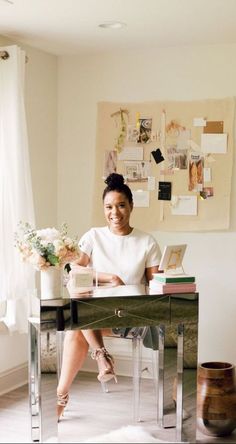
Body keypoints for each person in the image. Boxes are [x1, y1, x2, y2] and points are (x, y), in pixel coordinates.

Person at [57, 173, 162, 419]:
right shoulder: (93, 236)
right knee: (77, 308)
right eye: (109, 207)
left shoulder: (147, 242)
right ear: (103, 209)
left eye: (121, 205)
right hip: (97, 314)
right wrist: (110, 278)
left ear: (131, 206)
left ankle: (65, 393)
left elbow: (157, 285)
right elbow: (72, 272)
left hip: (130, 316)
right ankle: (99, 358)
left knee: (77, 325)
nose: (115, 212)